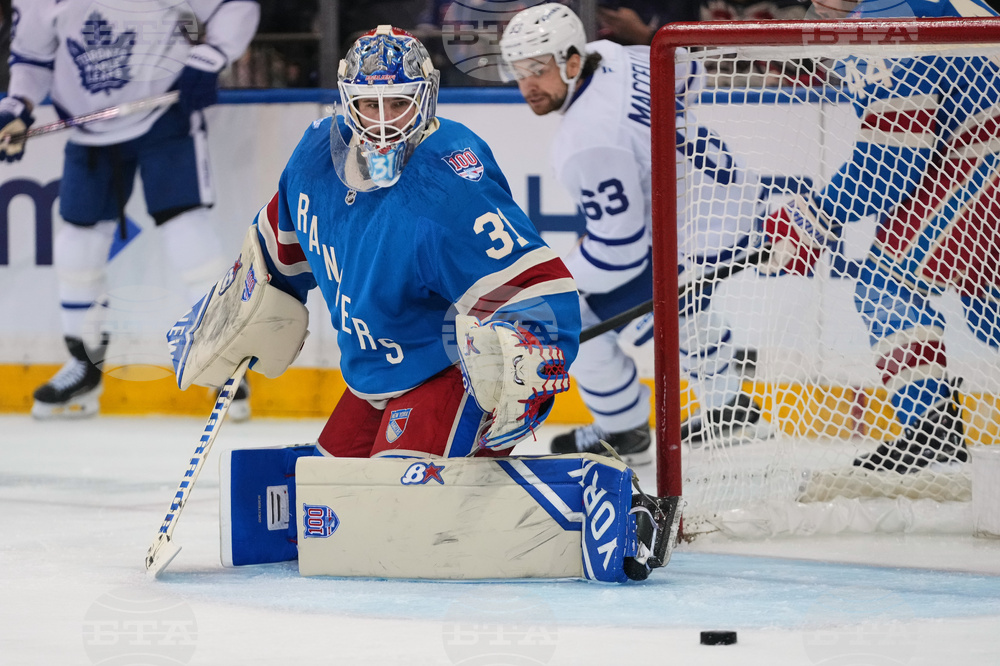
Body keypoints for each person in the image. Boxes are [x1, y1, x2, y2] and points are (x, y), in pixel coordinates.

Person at [168, 25, 581, 459]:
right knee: (326, 504)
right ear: (349, 102)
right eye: (370, 104)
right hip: (371, 378)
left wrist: (527, 358)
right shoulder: (313, 162)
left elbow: (540, 291)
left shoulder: (449, 182)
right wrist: (236, 313)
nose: (383, 122)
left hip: (447, 373)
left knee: (392, 510)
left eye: (399, 103)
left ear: (425, 100)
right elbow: (275, 261)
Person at [500, 4, 770, 464]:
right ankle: (730, 403)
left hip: (694, 232)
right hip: (730, 200)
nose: (528, 84)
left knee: (570, 312)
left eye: (538, 68)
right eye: (518, 69)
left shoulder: (586, 139)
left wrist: (551, 283)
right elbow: (691, 77)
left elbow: (621, 252)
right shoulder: (613, 54)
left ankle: (625, 430)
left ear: (570, 60)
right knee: (674, 301)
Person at [761, 0, 1000, 472]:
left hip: (984, 156)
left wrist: (813, 218)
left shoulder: (883, 18)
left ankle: (930, 429)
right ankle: (931, 427)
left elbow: (890, 164)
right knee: (985, 306)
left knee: (887, 282)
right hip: (979, 143)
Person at [2, 0, 260, 420]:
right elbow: (32, 55)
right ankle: (84, 365)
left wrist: (210, 57)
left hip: (164, 114)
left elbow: (236, 7)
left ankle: (222, 360)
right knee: (76, 245)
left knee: (187, 232)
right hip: (87, 128)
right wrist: (18, 105)